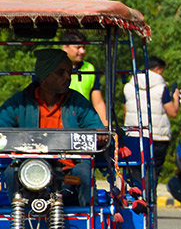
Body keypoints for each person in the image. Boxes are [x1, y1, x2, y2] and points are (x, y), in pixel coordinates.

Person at [0, 49, 105, 203]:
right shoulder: (19, 103)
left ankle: (90, 219)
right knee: (11, 173)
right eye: (60, 73)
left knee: (84, 171)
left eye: (69, 73)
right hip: (31, 169)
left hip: (68, 169)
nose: (67, 77)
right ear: (44, 75)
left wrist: (100, 133)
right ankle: (18, 217)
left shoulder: (78, 102)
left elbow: (96, 127)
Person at [122, 55, 179, 176]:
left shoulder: (128, 87)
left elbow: (125, 112)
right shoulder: (161, 88)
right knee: (153, 172)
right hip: (157, 138)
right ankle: (151, 193)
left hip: (134, 136)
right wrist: (175, 98)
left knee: (136, 171)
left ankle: (138, 193)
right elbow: (173, 112)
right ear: (158, 69)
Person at [62, 30, 107, 127]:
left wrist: (105, 127)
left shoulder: (90, 68)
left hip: (84, 120)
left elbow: (98, 103)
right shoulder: (53, 69)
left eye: (83, 47)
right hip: (62, 120)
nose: (82, 51)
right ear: (65, 47)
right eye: (78, 47)